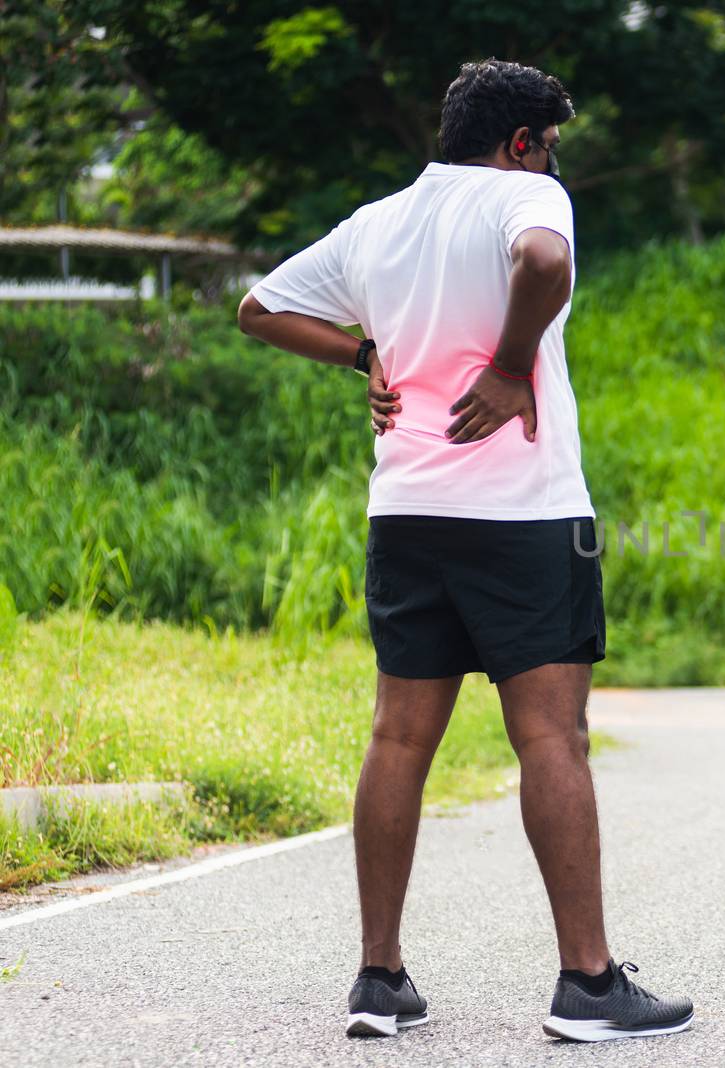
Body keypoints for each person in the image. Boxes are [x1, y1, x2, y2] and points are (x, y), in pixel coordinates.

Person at [237, 58, 692, 1044]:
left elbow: (260, 309)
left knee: (398, 739)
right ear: (521, 142)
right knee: (548, 737)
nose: (553, 161)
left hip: (407, 512)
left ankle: (378, 979)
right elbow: (543, 264)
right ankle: (587, 984)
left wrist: (366, 355)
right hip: (524, 516)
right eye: (552, 144)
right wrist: (514, 365)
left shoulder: (379, 222)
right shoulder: (529, 197)